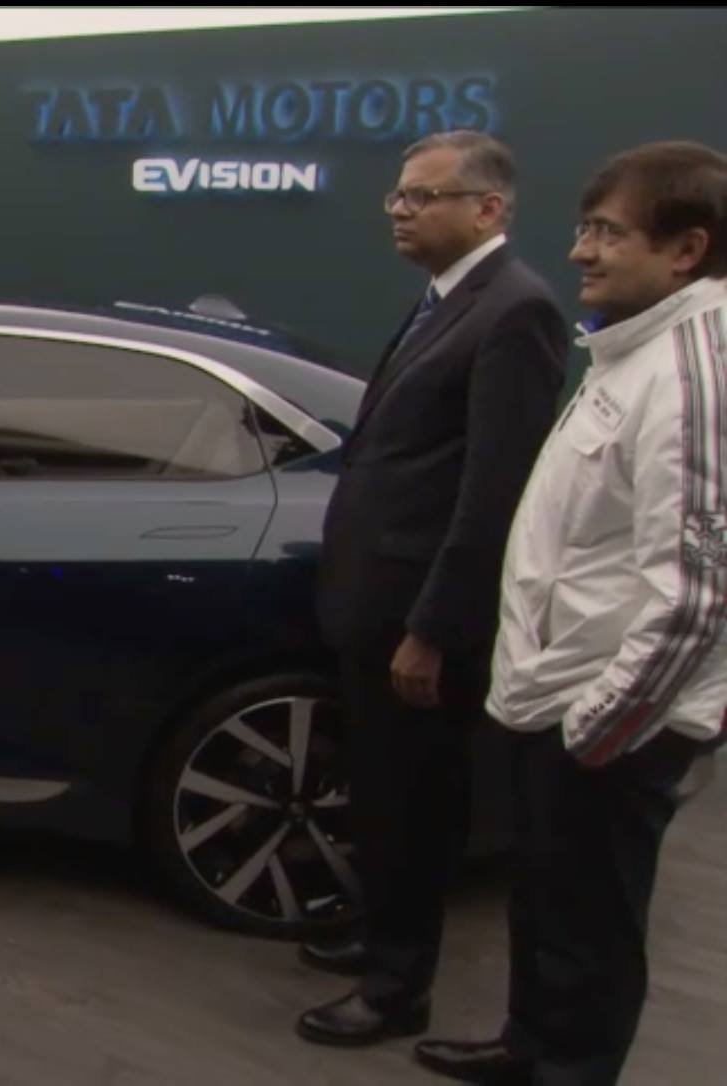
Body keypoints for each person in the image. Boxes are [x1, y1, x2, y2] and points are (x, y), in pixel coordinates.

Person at [413, 140, 727, 1086]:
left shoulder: (693, 376)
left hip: (608, 722)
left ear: (686, 249)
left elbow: (696, 598)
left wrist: (598, 733)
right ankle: (529, 1047)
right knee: (549, 904)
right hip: (556, 699)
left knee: (592, 929)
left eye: (606, 232)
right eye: (586, 228)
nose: (580, 250)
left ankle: (570, 1068)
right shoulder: (630, 351)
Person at [297, 130, 569, 1048]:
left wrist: (435, 628)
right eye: (397, 196)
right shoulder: (444, 301)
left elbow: (493, 494)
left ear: (488, 209)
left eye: (422, 196)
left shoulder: (517, 313)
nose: (400, 211)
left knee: (415, 804)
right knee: (382, 792)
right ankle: (379, 933)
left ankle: (395, 988)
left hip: (417, 618)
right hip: (373, 600)